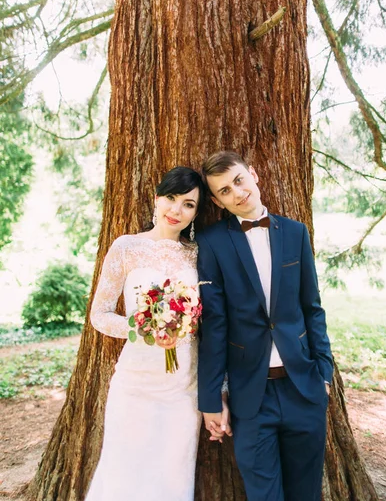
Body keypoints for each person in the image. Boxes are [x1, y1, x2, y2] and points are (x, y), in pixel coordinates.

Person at [197, 151, 333, 501]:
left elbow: (312, 308)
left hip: (303, 387)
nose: (237, 193)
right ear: (216, 201)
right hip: (250, 397)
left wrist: (325, 373)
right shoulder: (211, 242)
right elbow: (214, 326)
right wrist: (211, 397)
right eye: (225, 191)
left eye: (239, 180)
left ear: (253, 175)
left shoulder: (295, 232)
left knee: (306, 493)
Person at [86, 166, 212, 501]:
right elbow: (99, 315)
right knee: (123, 474)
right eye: (171, 198)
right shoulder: (126, 248)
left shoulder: (197, 254)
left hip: (183, 387)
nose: (176, 210)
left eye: (188, 204)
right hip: (135, 383)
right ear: (156, 199)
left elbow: (208, 323)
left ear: (196, 213)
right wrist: (141, 327)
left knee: (172, 478)